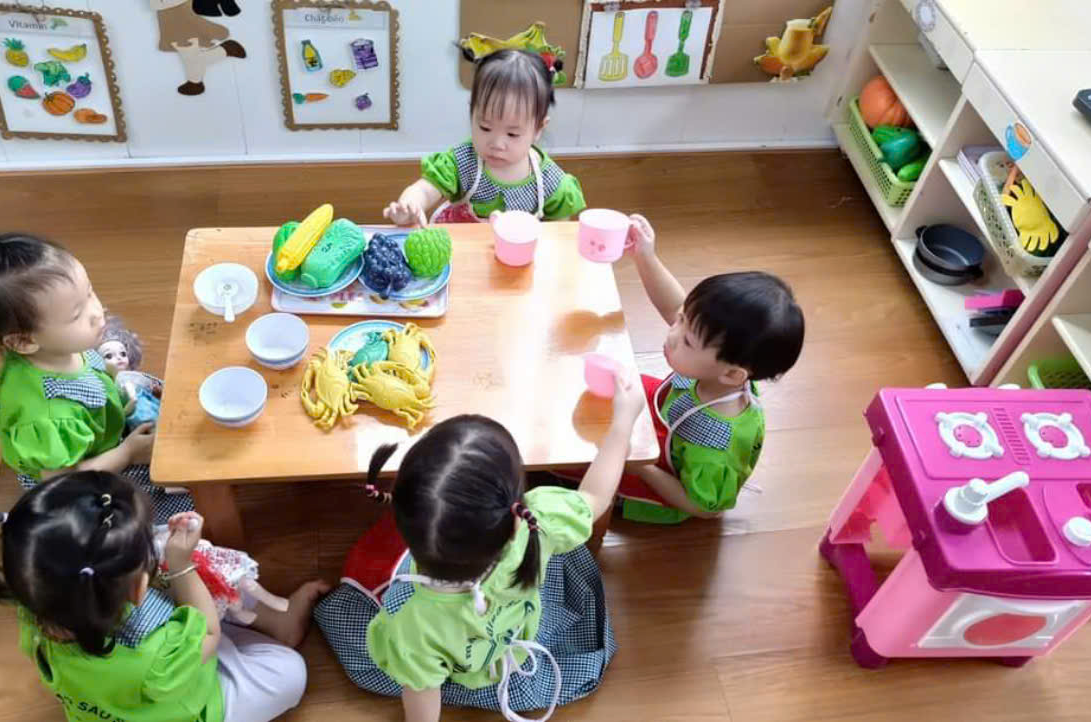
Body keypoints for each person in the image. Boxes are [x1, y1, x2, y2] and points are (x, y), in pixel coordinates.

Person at [314, 373, 644, 721]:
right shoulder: (539, 524)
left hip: (469, 666)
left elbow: (422, 700)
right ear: (515, 518)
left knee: (360, 649)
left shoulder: (412, 626)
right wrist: (622, 424)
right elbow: (594, 496)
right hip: (516, 644)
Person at [0, 470, 328, 722]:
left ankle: (259, 629)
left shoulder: (36, 610)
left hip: (127, 693)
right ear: (137, 590)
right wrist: (180, 563)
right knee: (290, 672)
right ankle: (277, 629)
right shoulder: (155, 657)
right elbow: (209, 632)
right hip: (185, 702)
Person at [0, 211, 191, 523]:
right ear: (23, 341)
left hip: (99, 429)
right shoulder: (49, 416)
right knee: (180, 498)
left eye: (90, 292)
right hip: (73, 476)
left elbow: (96, 371)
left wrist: (120, 390)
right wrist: (128, 453)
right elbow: (63, 482)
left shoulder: (56, 348)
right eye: (76, 314)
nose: (96, 312)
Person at [618, 214, 805, 523]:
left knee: (584, 466)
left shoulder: (713, 448)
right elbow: (674, 306)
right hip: (671, 413)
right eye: (682, 320)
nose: (673, 333)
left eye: (687, 341)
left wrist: (641, 465)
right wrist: (645, 257)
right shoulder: (720, 370)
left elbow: (704, 508)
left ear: (732, 374)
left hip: (665, 484)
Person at [384, 49, 585, 227]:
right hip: (463, 250)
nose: (496, 144)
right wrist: (410, 206)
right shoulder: (463, 162)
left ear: (538, 129)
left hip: (517, 254)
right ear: (472, 114)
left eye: (512, 134)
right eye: (485, 127)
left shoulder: (550, 181)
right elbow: (425, 190)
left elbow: (559, 232)